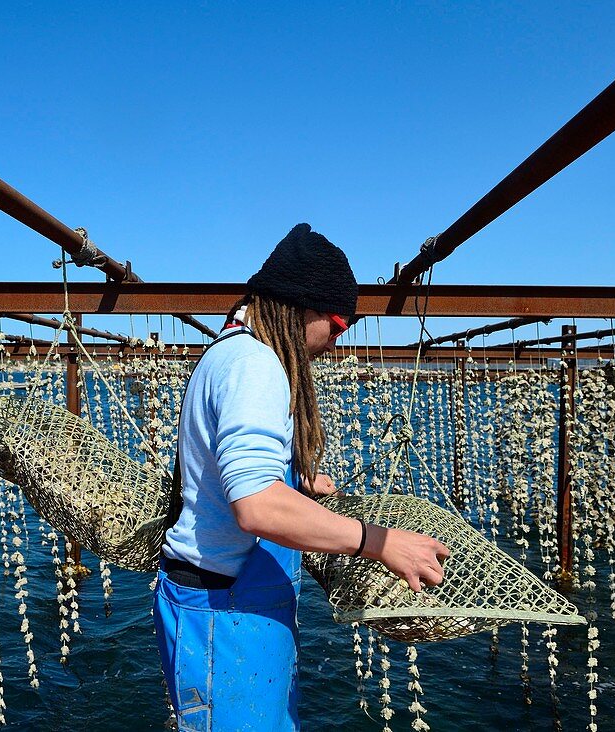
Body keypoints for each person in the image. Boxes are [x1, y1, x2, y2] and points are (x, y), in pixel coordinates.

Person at [154, 223, 450, 731]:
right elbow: (256, 505)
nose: (334, 343)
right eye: (337, 325)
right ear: (303, 306)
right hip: (223, 617)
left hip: (228, 605)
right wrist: (378, 541)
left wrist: (295, 479)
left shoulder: (233, 350)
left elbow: (235, 471)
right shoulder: (256, 364)